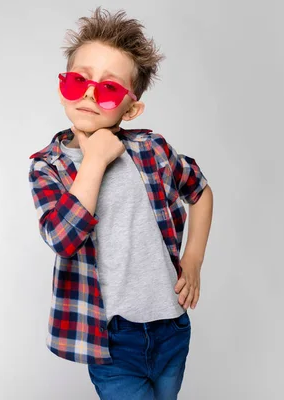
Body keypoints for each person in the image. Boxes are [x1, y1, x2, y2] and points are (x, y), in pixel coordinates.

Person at [27, 7, 214, 399]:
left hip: (171, 326)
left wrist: (193, 259)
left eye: (109, 88)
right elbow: (63, 237)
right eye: (79, 80)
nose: (91, 93)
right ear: (62, 86)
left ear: (131, 109)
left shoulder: (152, 150)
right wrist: (94, 159)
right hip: (112, 341)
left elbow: (199, 190)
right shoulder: (49, 167)